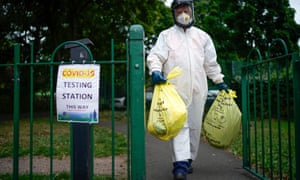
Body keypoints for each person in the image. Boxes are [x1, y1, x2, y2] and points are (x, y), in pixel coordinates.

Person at [146, 0, 229, 179]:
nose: (183, 13)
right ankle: (180, 165)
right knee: (179, 125)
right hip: (174, 90)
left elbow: (210, 64)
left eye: (186, 10)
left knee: (194, 126)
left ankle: (188, 159)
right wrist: (155, 71)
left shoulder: (203, 37)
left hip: (198, 89)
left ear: (192, 11)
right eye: (179, 11)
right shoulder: (166, 36)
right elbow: (156, 56)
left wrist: (219, 80)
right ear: (174, 14)